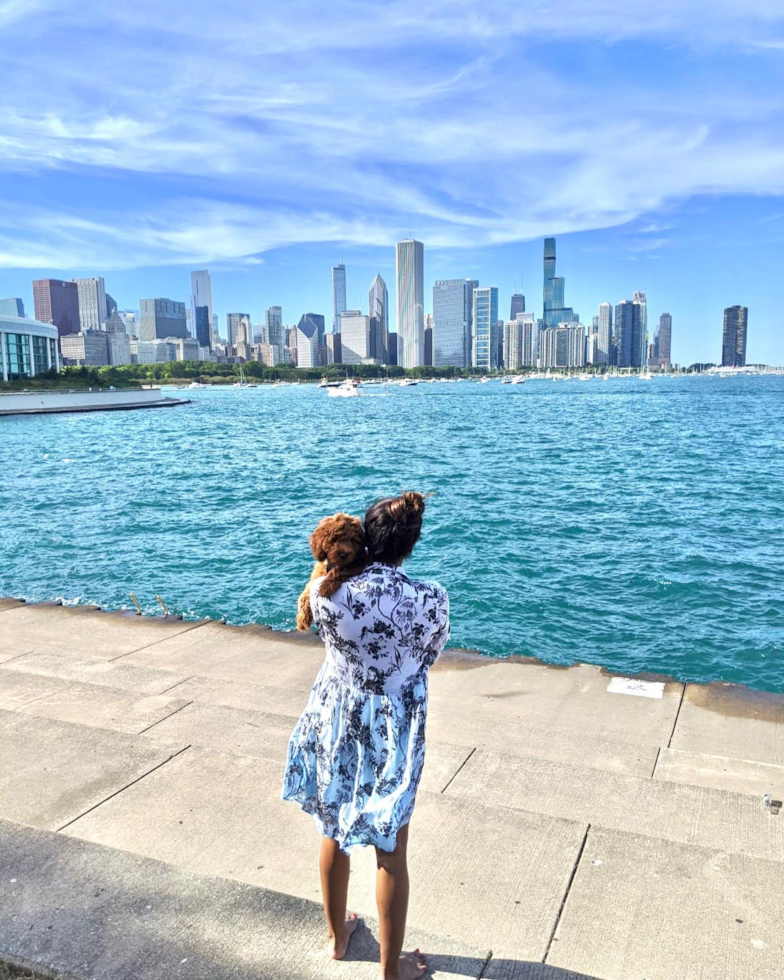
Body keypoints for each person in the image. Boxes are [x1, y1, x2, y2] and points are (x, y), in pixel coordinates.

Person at [282, 491, 450, 980]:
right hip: (393, 728)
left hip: (336, 720)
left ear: (365, 536)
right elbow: (428, 656)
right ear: (410, 544)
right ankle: (390, 971)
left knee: (332, 827)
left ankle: (337, 940)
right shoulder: (430, 598)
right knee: (391, 849)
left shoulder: (325, 593)